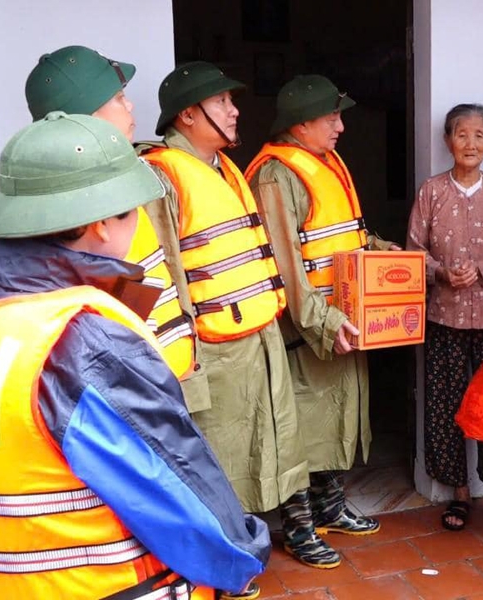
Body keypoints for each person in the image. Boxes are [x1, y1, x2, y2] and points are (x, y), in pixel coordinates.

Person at [0, 112, 268, 600]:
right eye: (133, 212)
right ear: (99, 223)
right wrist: (245, 551)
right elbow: (192, 510)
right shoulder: (82, 341)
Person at [137, 62, 322, 567]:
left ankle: (299, 528)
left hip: (261, 332)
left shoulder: (226, 168)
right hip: (213, 346)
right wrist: (183, 358)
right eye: (222, 103)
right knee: (223, 453)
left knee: (283, 434)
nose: (235, 110)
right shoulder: (161, 175)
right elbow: (165, 272)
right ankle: (227, 554)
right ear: (190, 114)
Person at [245, 74, 393, 557]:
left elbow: (343, 236)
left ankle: (330, 505)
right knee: (300, 425)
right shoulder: (275, 175)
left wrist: (387, 256)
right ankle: (299, 524)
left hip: (341, 317)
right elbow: (287, 265)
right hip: (304, 327)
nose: (341, 127)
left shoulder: (323, 163)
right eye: (331, 117)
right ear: (302, 122)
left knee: (334, 417)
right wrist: (323, 323)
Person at [25, 45, 196, 381]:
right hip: (132, 395)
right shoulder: (71, 205)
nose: (130, 105)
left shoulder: (120, 180)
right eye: (119, 98)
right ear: (86, 114)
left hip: (169, 378)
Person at [405, 103, 483, 531]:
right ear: (448, 141)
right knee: (446, 405)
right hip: (445, 316)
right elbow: (413, 249)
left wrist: (482, 270)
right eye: (462, 134)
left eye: (479, 135)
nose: (470, 143)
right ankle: (458, 493)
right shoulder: (432, 191)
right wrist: (440, 272)